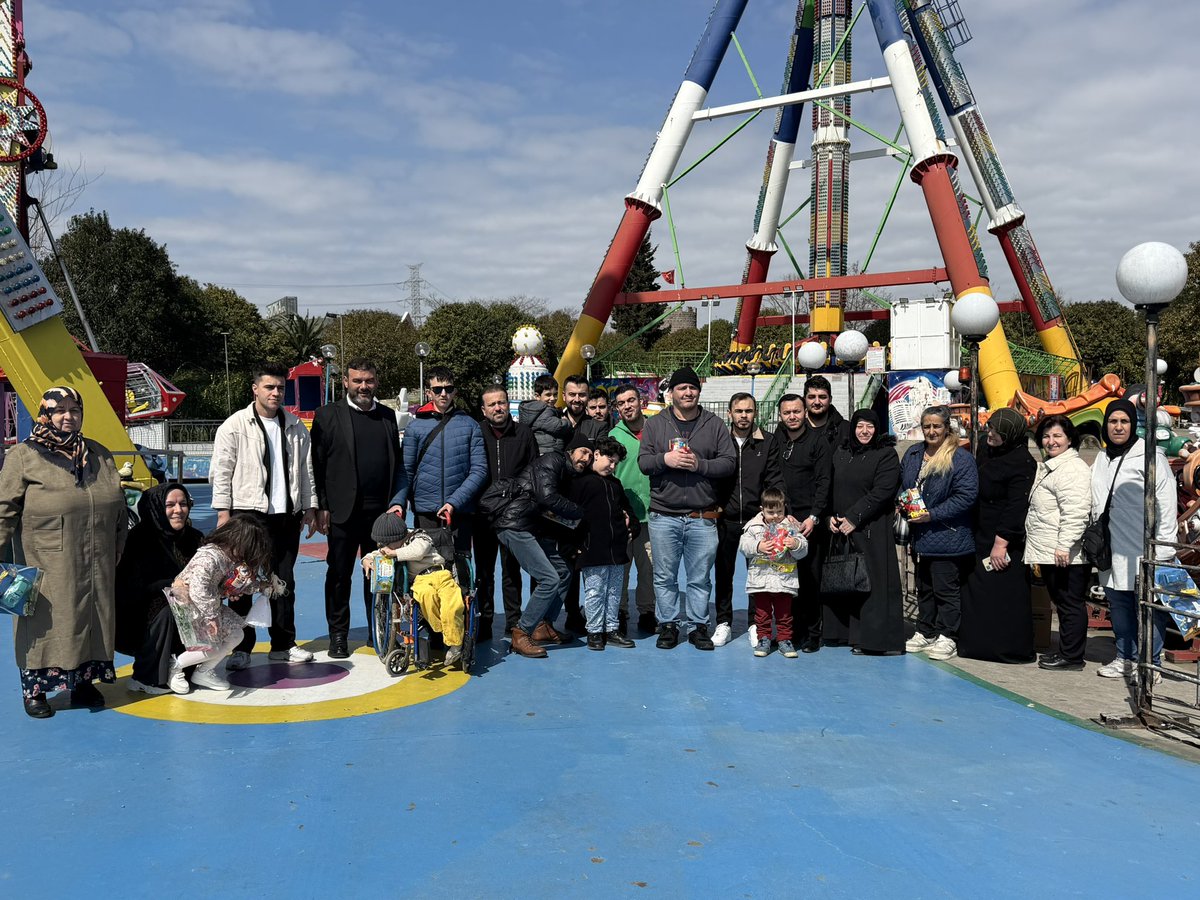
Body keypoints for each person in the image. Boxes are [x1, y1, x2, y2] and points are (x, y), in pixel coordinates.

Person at [0, 387, 128, 718]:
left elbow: (119, 506)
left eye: (75, 409)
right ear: (45, 414)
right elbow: (3, 510)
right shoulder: (24, 456)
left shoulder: (98, 454)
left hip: (96, 558)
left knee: (92, 620)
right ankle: (36, 692)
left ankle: (83, 684)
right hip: (45, 560)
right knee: (43, 623)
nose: (68, 416)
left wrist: (118, 542)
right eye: (59, 410)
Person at [210, 362, 319, 668]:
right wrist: (223, 513)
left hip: (287, 517)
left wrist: (309, 506)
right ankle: (240, 647)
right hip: (248, 516)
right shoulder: (234, 426)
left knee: (284, 582)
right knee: (241, 582)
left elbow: (306, 471)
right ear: (255, 389)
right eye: (269, 387)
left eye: (280, 387)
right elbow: (222, 471)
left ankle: (283, 644)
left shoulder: (296, 427)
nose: (275, 393)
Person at [310, 358, 405, 659]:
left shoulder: (388, 416)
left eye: (369, 380)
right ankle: (338, 634)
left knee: (379, 575)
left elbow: (397, 463)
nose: (363, 386)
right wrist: (321, 506)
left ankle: (377, 630)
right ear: (346, 383)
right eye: (357, 381)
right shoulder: (327, 415)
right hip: (342, 512)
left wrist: (396, 503)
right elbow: (317, 465)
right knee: (339, 575)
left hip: (381, 515)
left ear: (376, 382)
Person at [638, 366, 737, 651]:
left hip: (701, 515)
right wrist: (665, 459)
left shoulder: (714, 424)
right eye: (682, 388)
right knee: (664, 576)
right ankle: (668, 625)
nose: (688, 392)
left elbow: (729, 462)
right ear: (672, 393)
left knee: (699, 577)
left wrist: (700, 465)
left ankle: (697, 626)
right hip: (664, 515)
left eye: (692, 387)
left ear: (699, 391)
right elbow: (644, 462)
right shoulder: (656, 424)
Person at [481, 432, 592, 657]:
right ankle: (521, 633)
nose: (586, 458)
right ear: (570, 451)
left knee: (563, 572)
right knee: (549, 578)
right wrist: (582, 513)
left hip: (530, 527)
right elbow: (547, 497)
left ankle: (543, 625)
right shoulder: (553, 460)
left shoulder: (567, 472)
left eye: (590, 455)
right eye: (583, 452)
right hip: (515, 524)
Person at [1090, 399, 1176, 682]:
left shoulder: (1151, 457)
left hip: (1142, 546)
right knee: (1119, 604)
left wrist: (1164, 545)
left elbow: (1166, 500)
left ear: (1132, 425)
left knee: (1149, 608)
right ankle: (1125, 656)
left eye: (1124, 422)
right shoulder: (1102, 457)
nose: (1118, 427)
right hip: (1111, 546)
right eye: (1113, 422)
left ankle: (1150, 664)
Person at [957, 408, 1037, 664]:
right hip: (980, 530)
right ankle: (975, 645)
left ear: (1011, 435)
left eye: (998, 432)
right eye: (990, 427)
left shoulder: (1022, 461)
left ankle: (1006, 649)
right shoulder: (985, 449)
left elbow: (1016, 505)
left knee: (1004, 595)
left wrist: (1001, 543)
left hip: (1003, 536)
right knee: (978, 591)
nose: (991, 434)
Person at [167, 515, 281, 693]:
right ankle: (174, 667)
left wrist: (260, 587)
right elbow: (198, 589)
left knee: (236, 634)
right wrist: (211, 617)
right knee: (211, 644)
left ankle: (204, 671)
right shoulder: (209, 557)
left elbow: (232, 583)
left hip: (209, 605)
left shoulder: (230, 557)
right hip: (190, 606)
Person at [900, 405, 979, 661]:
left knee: (946, 588)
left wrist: (932, 515)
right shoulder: (913, 454)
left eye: (936, 426)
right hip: (920, 535)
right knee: (924, 587)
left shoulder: (960, 458)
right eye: (927, 426)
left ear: (947, 428)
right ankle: (926, 630)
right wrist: (904, 504)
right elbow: (904, 486)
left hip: (948, 534)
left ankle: (948, 635)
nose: (931, 431)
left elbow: (966, 496)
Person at [826, 409, 905, 655]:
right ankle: (842, 634)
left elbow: (883, 491)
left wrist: (854, 517)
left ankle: (872, 639)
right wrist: (829, 516)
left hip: (871, 529)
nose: (864, 431)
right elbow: (829, 486)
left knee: (872, 584)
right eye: (860, 426)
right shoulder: (841, 453)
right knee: (844, 581)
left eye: (870, 426)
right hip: (840, 528)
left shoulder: (886, 455)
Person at [116, 483, 203, 693]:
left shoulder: (194, 538)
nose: (178, 510)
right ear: (156, 508)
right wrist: (170, 586)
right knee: (169, 608)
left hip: (184, 601)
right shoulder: (138, 539)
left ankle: (188, 665)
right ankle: (148, 677)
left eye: (183, 504)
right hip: (137, 611)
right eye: (170, 505)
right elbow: (131, 587)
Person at [1024, 415, 1093, 671]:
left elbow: (1076, 510)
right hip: (1053, 548)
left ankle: (1072, 657)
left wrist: (1064, 544)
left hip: (1066, 553)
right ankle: (1066, 651)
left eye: (1057, 436)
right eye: (1046, 436)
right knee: (1063, 602)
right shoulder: (1053, 465)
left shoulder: (1072, 469)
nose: (1051, 441)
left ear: (1069, 439)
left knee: (1070, 603)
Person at [764, 392, 831, 653]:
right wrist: (780, 515)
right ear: (780, 415)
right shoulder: (776, 440)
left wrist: (813, 516)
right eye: (786, 412)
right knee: (782, 581)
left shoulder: (817, 442)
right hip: (781, 519)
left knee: (809, 579)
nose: (792, 416)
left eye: (796, 411)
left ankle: (812, 633)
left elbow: (824, 481)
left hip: (807, 521)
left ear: (804, 413)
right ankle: (785, 633)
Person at [402, 366, 489, 559]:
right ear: (428, 392)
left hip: (459, 511)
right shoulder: (415, 427)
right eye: (437, 389)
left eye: (448, 389)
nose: (444, 394)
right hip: (425, 511)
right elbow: (406, 471)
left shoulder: (470, 425)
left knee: (460, 570)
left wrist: (454, 502)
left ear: (454, 391)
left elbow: (480, 470)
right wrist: (399, 503)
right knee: (426, 569)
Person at [361, 511, 467, 665]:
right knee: (425, 597)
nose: (385, 547)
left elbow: (418, 552)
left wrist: (395, 553)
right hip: (421, 580)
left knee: (452, 604)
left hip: (442, 574)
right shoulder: (390, 546)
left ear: (397, 538)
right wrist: (366, 560)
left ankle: (455, 644)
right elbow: (377, 553)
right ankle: (445, 631)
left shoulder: (419, 537)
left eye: (387, 544)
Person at [475, 385, 537, 640]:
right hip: (483, 515)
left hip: (513, 515)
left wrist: (521, 505)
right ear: (484, 409)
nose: (498, 408)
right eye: (492, 404)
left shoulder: (523, 433)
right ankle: (485, 621)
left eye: (501, 402)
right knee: (484, 571)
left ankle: (513, 622)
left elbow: (533, 472)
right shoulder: (477, 433)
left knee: (512, 571)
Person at [715, 392, 773, 647]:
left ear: (755, 413)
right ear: (730, 413)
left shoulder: (767, 442)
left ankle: (755, 624)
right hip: (724, 519)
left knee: (757, 575)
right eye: (739, 411)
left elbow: (773, 479)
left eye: (748, 411)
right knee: (723, 573)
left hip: (755, 521)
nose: (744, 416)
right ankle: (723, 622)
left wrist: (769, 512)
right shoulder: (719, 442)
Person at [568, 436, 638, 650]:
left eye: (616, 462)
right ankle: (595, 631)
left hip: (616, 548)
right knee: (595, 590)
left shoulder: (615, 485)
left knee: (614, 590)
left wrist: (633, 527)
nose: (613, 466)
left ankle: (612, 628)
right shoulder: (581, 483)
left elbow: (628, 511)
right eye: (610, 459)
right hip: (593, 548)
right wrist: (576, 543)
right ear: (596, 454)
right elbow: (571, 515)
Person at [739, 487, 808, 658]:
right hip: (761, 580)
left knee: (784, 614)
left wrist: (796, 544)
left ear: (784, 508)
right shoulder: (753, 526)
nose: (776, 516)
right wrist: (758, 546)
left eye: (779, 511)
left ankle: (785, 639)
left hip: (784, 580)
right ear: (762, 510)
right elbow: (743, 546)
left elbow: (803, 548)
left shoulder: (791, 527)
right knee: (762, 614)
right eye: (771, 512)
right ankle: (763, 638)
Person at [610, 383, 656, 634]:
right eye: (621, 403)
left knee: (648, 567)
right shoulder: (613, 436)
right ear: (617, 409)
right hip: (623, 515)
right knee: (622, 567)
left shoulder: (655, 430)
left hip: (651, 513)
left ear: (641, 402)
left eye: (631, 400)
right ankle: (620, 611)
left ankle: (647, 611)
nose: (627, 406)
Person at [520, 374, 573, 456]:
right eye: (548, 395)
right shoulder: (541, 411)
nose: (552, 398)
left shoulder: (541, 410)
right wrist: (566, 421)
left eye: (555, 394)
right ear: (537, 396)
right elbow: (558, 426)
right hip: (545, 453)